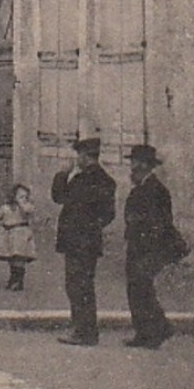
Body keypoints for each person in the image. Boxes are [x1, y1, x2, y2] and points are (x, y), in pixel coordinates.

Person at [52, 136, 118, 346]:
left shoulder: (100, 180)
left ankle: (85, 331)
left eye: (79, 155)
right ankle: (81, 328)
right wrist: (63, 174)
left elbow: (107, 214)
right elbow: (59, 197)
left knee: (80, 286)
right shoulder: (83, 178)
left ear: (85, 156)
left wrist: (87, 229)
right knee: (76, 285)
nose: (76, 159)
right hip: (77, 241)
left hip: (83, 242)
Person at [123, 145, 182, 349]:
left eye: (134, 162)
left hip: (148, 248)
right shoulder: (141, 187)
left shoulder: (157, 190)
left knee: (141, 287)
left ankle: (159, 329)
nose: (131, 166)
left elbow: (161, 222)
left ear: (142, 164)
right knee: (137, 288)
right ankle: (145, 332)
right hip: (137, 245)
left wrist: (150, 247)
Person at [0, 184, 38, 291]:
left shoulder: (26, 207)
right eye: (20, 197)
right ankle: (13, 277)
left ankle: (18, 280)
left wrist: (23, 204)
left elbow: (29, 212)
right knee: (11, 258)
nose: (23, 199)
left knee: (19, 257)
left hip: (21, 235)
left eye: (25, 197)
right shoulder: (6, 208)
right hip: (9, 234)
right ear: (13, 196)